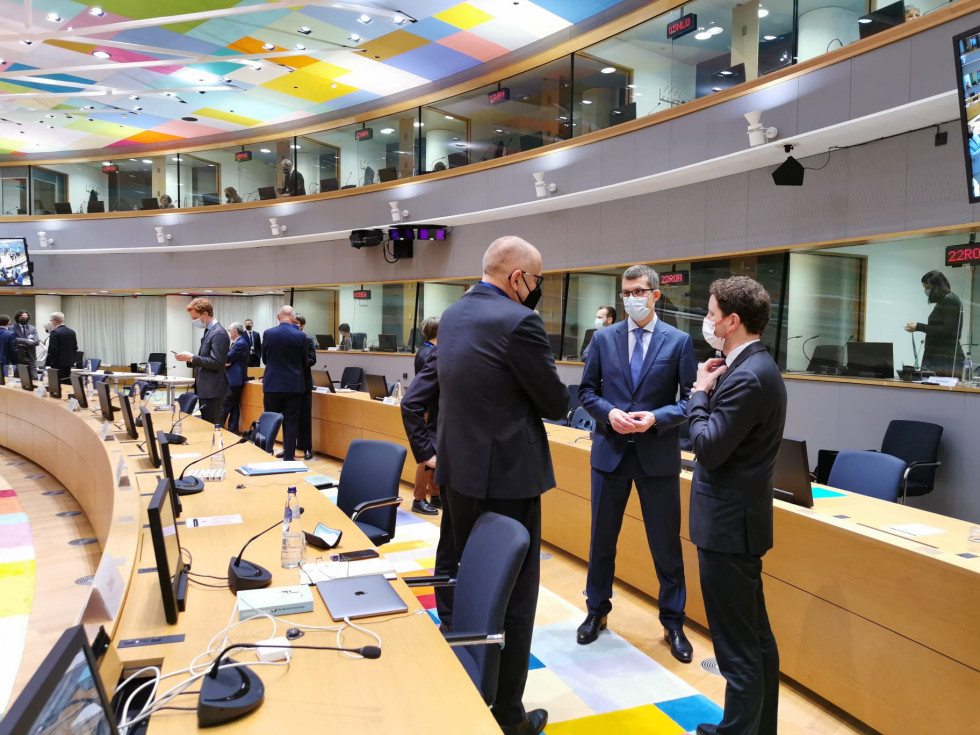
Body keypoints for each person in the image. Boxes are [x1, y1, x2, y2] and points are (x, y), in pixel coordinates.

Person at [436, 235, 568, 735]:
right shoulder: (520, 321)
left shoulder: (452, 315)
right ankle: (508, 714)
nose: (536, 291)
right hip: (508, 480)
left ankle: (465, 675)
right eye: (535, 281)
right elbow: (555, 402)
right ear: (518, 278)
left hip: (458, 472)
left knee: (464, 579)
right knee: (515, 596)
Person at [576, 265, 697, 663]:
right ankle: (596, 611)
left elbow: (690, 402)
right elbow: (587, 392)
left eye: (639, 291)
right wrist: (609, 414)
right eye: (625, 291)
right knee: (601, 539)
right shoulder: (603, 338)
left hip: (656, 455)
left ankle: (673, 621)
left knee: (665, 544)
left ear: (655, 295)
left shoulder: (678, 342)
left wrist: (657, 418)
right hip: (610, 452)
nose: (631, 298)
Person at [687, 276, 786, 735]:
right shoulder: (749, 366)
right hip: (736, 522)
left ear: (732, 321)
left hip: (728, 527)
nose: (707, 321)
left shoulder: (748, 374)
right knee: (755, 640)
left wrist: (698, 394)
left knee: (737, 647)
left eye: (710, 314)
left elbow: (707, 447)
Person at [400, 342, 457, 628]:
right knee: (452, 541)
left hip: (484, 464)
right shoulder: (444, 352)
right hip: (453, 458)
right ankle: (449, 619)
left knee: (459, 543)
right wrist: (427, 452)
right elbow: (410, 403)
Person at [261, 305, 309, 461]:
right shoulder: (301, 336)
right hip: (293, 386)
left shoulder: (268, 334)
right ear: (294, 319)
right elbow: (305, 362)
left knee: (270, 420)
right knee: (291, 422)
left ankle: (267, 452)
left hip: (272, 385)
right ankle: (289, 456)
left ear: (278, 316)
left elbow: (265, 359)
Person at [174, 298, 230, 424]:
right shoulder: (209, 331)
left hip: (214, 391)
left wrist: (192, 357)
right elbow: (205, 358)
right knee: (207, 426)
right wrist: (189, 359)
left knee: (214, 427)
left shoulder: (219, 333)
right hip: (206, 390)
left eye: (195, 318)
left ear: (205, 314)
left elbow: (217, 362)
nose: (193, 321)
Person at [905, 270, 965, 377]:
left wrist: (919, 326)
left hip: (945, 358)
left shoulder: (950, 300)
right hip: (937, 356)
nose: (925, 291)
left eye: (927, 287)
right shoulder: (943, 301)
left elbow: (948, 330)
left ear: (936, 286)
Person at [291, 313, 317, 461]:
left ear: (302, 325)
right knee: (290, 417)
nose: (295, 325)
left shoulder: (307, 339)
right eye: (293, 322)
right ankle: (290, 447)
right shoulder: (288, 339)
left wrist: (299, 363)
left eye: (297, 323)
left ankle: (307, 448)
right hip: (290, 383)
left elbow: (313, 360)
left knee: (305, 417)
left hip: (304, 381)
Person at [220, 322, 250, 432]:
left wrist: (225, 361)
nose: (228, 332)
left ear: (235, 332)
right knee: (234, 406)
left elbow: (227, 359)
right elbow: (228, 361)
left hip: (234, 379)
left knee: (225, 404)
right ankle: (233, 429)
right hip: (234, 379)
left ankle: (218, 428)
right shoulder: (237, 342)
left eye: (229, 330)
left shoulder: (240, 343)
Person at [45, 312, 77, 383]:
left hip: (57, 363)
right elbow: (75, 348)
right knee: (67, 381)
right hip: (68, 363)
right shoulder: (72, 332)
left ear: (54, 321)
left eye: (51, 320)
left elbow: (53, 350)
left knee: (57, 383)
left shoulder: (55, 332)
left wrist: (48, 363)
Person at [12, 310, 40, 381]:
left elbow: (36, 342)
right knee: (18, 378)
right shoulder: (12, 327)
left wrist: (21, 342)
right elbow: (13, 339)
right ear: (18, 318)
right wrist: (27, 340)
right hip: (18, 356)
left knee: (34, 377)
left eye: (26, 317)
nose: (24, 318)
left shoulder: (32, 328)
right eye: (22, 317)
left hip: (30, 356)